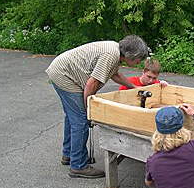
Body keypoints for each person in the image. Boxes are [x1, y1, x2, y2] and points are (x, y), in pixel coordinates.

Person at [46, 35, 149, 178]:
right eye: (139, 59)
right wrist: (89, 109)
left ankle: (69, 154)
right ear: (132, 55)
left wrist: (134, 87)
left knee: (72, 117)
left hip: (60, 71)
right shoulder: (111, 55)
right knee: (81, 120)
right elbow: (91, 85)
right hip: (65, 76)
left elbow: (115, 75)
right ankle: (78, 166)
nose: (139, 62)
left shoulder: (114, 51)